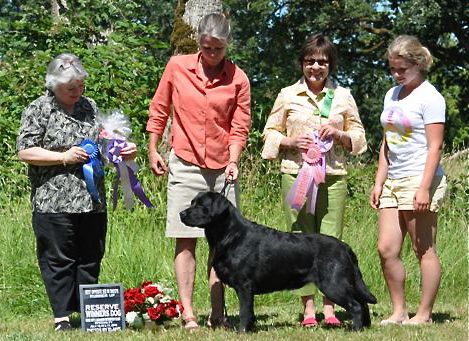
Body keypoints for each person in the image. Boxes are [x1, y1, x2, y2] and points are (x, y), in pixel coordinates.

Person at [16, 53, 137, 331]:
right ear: (54, 84)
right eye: (71, 88)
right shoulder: (39, 109)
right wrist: (62, 157)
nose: (77, 92)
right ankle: (61, 318)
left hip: (92, 201)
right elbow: (25, 151)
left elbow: (102, 146)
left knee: (90, 255)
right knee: (58, 259)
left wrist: (124, 150)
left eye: (81, 86)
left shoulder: (90, 107)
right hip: (53, 200)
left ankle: (89, 315)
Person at [146, 13, 251, 330]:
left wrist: (233, 158)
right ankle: (188, 313)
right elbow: (159, 109)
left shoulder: (239, 79)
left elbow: (239, 127)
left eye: (217, 49)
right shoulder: (177, 67)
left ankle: (218, 313)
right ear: (199, 42)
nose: (211, 54)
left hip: (222, 168)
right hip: (185, 161)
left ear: (227, 45)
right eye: (206, 48)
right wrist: (153, 149)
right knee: (186, 238)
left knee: (223, 244)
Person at [261, 33, 367, 327]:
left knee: (330, 243)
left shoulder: (343, 96)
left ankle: (330, 308)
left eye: (322, 61)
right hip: (296, 176)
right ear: (301, 63)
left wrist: (340, 135)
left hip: (333, 178)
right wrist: (289, 141)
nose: (316, 67)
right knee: (299, 243)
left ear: (330, 64)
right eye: (310, 61)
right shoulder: (287, 95)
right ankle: (308, 309)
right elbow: (269, 133)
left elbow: (360, 139)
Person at [370, 35, 447, 325]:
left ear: (418, 64)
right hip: (393, 179)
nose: (396, 74)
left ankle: (424, 314)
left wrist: (425, 188)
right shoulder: (391, 94)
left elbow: (435, 146)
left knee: (422, 248)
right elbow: (387, 142)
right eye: (393, 68)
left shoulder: (431, 98)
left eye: (402, 69)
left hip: (420, 178)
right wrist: (379, 181)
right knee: (386, 248)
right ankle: (399, 310)